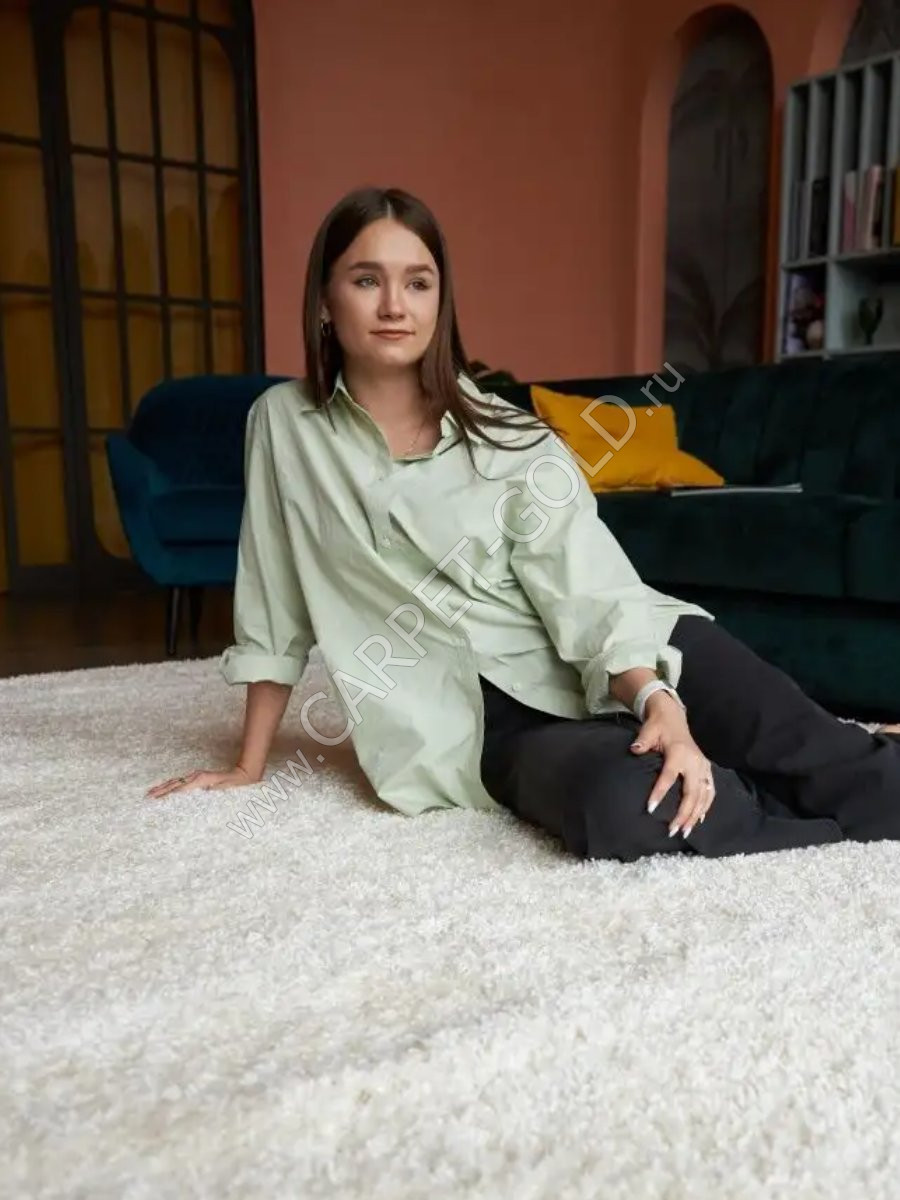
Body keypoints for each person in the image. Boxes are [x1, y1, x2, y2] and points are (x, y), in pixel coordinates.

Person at [146, 186, 900, 862]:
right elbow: (274, 600)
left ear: (441, 302)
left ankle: (819, 763)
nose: (394, 306)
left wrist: (657, 701)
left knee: (852, 775)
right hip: (495, 730)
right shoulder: (282, 425)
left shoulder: (512, 439)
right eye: (366, 280)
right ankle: (761, 797)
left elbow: (590, 590)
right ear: (323, 300)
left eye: (418, 282)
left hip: (642, 653)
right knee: (623, 810)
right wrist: (248, 764)